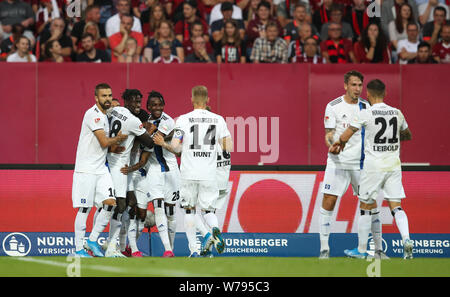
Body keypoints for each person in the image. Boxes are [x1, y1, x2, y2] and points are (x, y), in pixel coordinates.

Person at [330, 79, 414, 260]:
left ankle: (360, 250)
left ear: (368, 94)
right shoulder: (397, 113)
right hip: (393, 165)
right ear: (385, 94)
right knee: (396, 206)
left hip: (373, 166)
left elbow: (346, 135)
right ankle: (407, 240)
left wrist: (339, 144)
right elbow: (407, 135)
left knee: (365, 206)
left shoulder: (365, 113)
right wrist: (390, 138)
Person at [153, 85, 232, 257]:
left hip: (189, 171)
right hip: (209, 173)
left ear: (192, 99)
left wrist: (163, 144)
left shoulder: (183, 120)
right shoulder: (218, 120)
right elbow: (228, 147)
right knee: (208, 210)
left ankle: (194, 250)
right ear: (208, 100)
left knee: (189, 210)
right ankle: (215, 229)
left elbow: (175, 147)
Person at [72, 83, 128, 257]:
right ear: (96, 98)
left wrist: (113, 148)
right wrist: (117, 140)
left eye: (110, 95)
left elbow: (102, 145)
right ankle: (79, 249)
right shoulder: (93, 114)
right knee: (84, 209)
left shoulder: (105, 116)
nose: (108, 99)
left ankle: (92, 240)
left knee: (111, 203)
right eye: (104, 96)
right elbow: (104, 141)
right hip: (86, 169)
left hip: (101, 168)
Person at [319, 70, 368, 259]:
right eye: (354, 85)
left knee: (367, 203)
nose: (357, 89)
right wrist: (333, 145)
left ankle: (364, 249)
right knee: (329, 202)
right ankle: (324, 248)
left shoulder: (366, 107)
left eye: (360, 85)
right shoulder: (333, 106)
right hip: (337, 162)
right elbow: (329, 134)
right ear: (346, 85)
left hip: (360, 164)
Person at [104, 89, 156, 257]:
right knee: (117, 205)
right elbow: (150, 142)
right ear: (125, 101)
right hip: (120, 167)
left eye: (139, 102)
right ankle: (109, 245)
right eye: (134, 101)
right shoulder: (134, 121)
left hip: (114, 164)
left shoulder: (115, 110)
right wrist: (145, 132)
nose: (137, 105)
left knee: (128, 203)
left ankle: (119, 246)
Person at [141, 91, 181, 258]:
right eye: (154, 105)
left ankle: (171, 247)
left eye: (160, 104)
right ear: (148, 107)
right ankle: (167, 249)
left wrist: (142, 129)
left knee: (170, 211)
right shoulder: (145, 122)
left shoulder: (168, 121)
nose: (157, 108)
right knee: (158, 206)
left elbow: (155, 139)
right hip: (154, 170)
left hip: (171, 170)